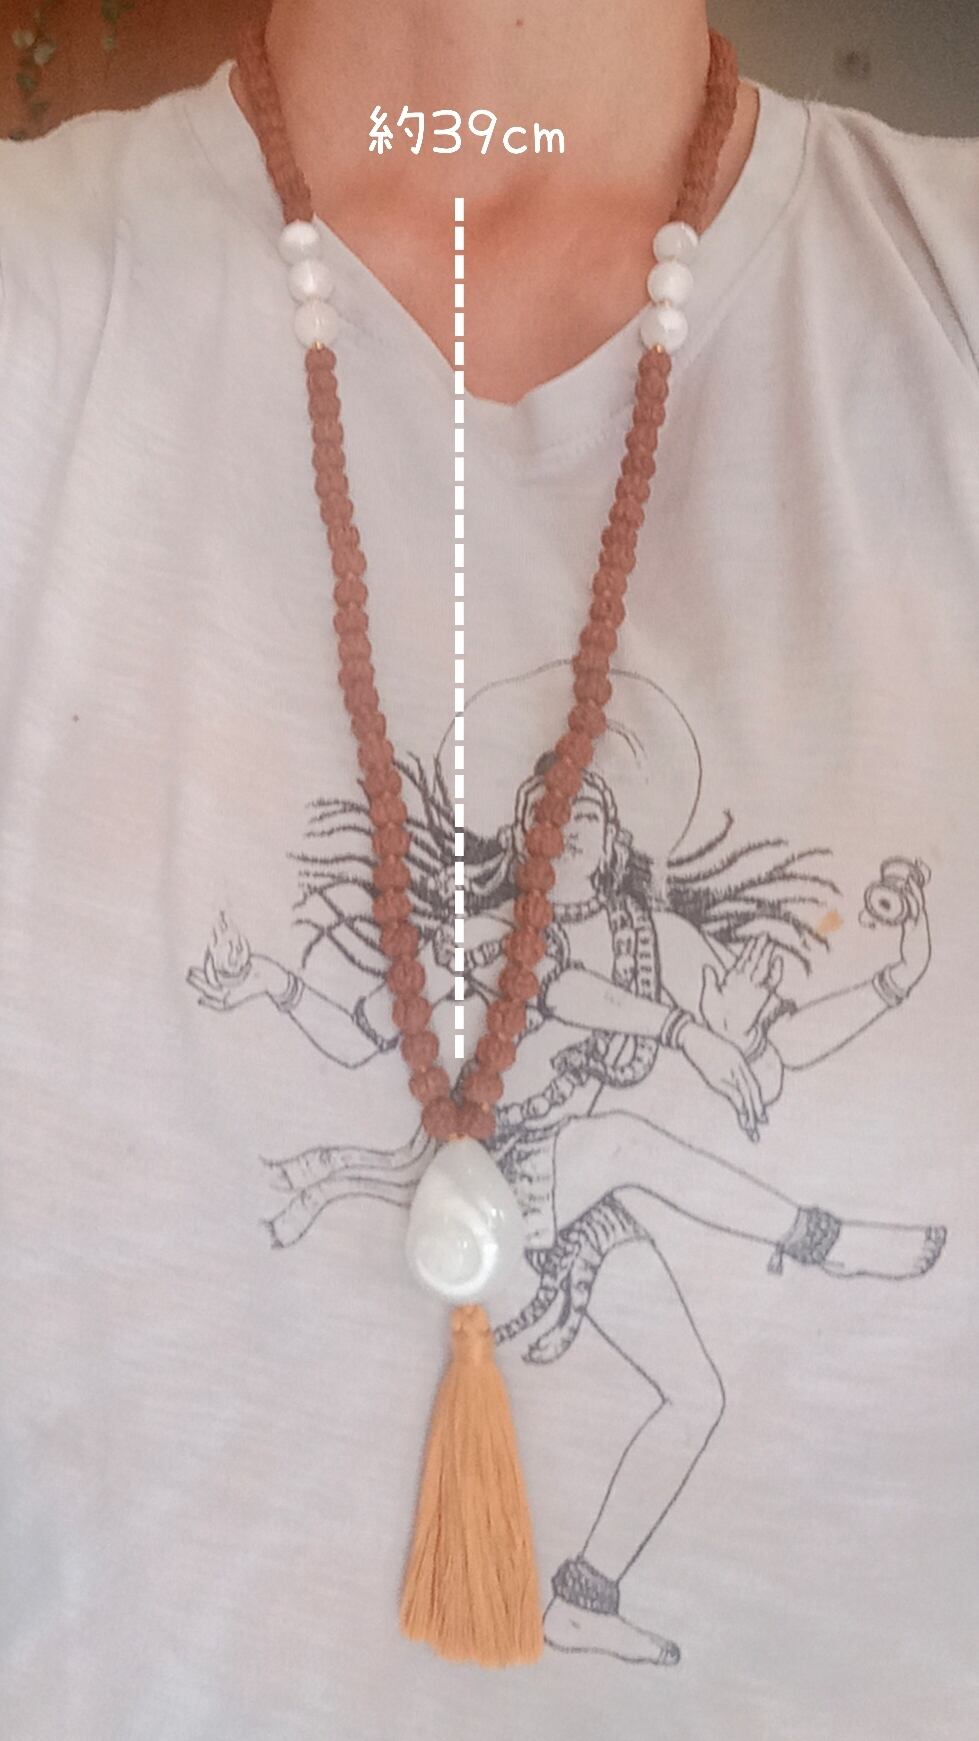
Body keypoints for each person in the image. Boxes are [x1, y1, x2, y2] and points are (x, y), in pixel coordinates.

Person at [0, 1, 976, 1736]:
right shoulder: (40, 306)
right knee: (640, 1142)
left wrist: (884, 973)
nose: (578, 837)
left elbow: (769, 1031)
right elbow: (460, 1020)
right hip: (544, 1171)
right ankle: (814, 1233)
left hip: (574, 1211)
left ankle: (583, 1583)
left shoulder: (942, 287)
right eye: (558, 820)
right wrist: (279, 978)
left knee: (684, 1374)